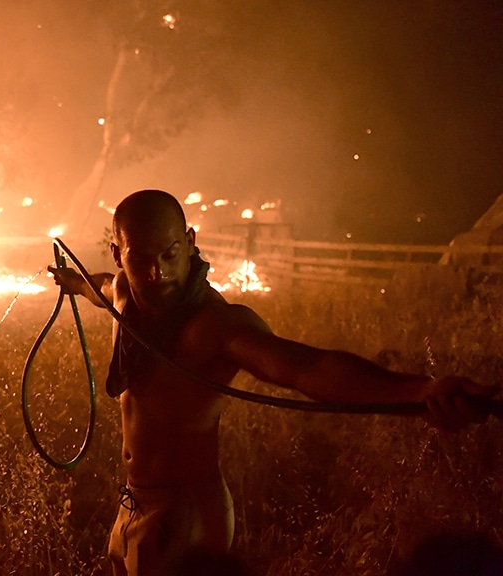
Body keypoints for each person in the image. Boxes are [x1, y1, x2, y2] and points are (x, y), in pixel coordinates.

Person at [48, 189, 499, 576]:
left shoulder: (218, 327)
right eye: (140, 259)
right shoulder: (125, 293)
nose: (157, 274)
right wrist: (74, 282)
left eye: (169, 255)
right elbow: (103, 287)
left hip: (186, 514)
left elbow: (307, 367)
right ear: (118, 253)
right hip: (134, 504)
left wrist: (420, 391)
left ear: (189, 243)